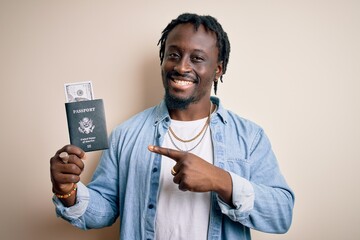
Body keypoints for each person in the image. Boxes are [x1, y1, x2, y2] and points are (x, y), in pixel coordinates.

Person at [50, 13, 294, 240]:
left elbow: (281, 215)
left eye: (197, 58)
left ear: (218, 69)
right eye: (173, 55)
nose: (181, 67)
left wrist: (220, 180)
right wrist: (67, 191)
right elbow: (104, 210)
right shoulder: (125, 134)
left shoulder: (249, 137)